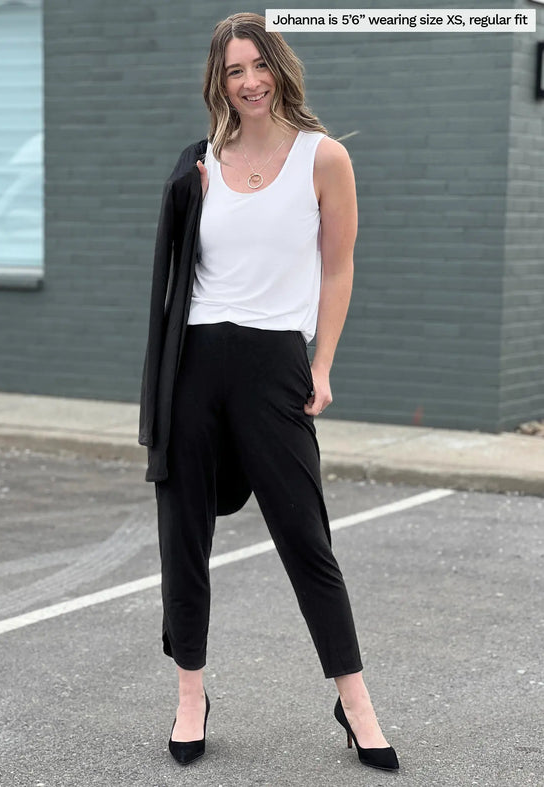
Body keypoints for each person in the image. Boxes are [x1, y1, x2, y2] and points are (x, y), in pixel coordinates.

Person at [152, 12, 399, 771]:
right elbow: (180, 273)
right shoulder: (201, 163)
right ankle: (190, 693)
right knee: (183, 535)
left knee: (305, 536)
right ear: (218, 82)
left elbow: (337, 269)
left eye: (258, 65)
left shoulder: (323, 159)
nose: (249, 81)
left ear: (280, 68)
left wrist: (321, 364)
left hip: (273, 365)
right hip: (193, 362)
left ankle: (355, 701)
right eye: (234, 70)